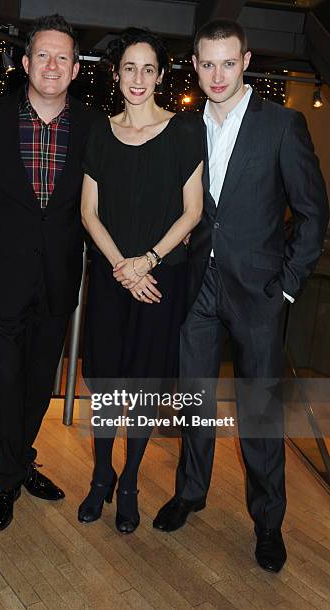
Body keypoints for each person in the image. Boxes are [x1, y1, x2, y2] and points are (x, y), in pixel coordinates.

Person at [153, 19, 329, 573]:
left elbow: (312, 213)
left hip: (259, 294)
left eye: (228, 63)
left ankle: (268, 522)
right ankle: (191, 492)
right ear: (196, 65)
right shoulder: (182, 127)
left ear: (246, 61)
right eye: (207, 63)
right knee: (194, 400)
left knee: (260, 413)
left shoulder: (283, 125)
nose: (217, 74)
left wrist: (287, 287)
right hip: (196, 290)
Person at [0, 15, 101, 532]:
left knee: (37, 386)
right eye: (43, 55)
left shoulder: (96, 128)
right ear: (25, 63)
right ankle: (7, 480)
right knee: (3, 383)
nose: (52, 65)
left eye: (63, 58)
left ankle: (20, 461)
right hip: (0, 278)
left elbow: (118, 194)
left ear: (75, 69)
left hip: (58, 279)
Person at [78, 28, 204, 534]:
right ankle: (100, 475)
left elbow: (192, 212)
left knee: (144, 386)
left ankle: (128, 481)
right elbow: (89, 212)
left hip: (160, 279)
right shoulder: (100, 132)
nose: (138, 78)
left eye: (148, 69)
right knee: (107, 381)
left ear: (160, 75)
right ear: (116, 73)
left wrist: (146, 262)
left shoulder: (184, 131)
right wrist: (121, 268)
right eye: (129, 67)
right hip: (113, 277)